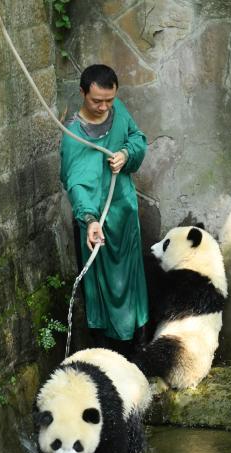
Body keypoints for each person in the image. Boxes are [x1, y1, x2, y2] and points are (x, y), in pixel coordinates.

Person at [60, 64, 148, 358]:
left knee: (131, 283)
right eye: (96, 100)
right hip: (97, 224)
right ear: (83, 93)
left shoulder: (118, 111)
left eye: (109, 100)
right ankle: (110, 354)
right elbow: (75, 182)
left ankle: (138, 345)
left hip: (125, 214)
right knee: (104, 287)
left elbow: (137, 138)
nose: (103, 107)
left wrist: (126, 154)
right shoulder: (75, 134)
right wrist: (89, 219)